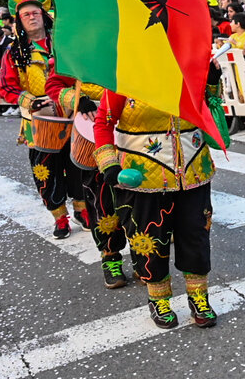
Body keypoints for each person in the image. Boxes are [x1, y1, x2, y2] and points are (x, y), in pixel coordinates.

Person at [92, 61, 224, 329]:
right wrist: (109, 164)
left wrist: (211, 79)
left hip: (193, 170)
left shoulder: (189, 64)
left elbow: (210, 105)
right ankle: (159, 299)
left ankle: (199, 297)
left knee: (196, 236)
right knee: (149, 241)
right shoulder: (123, 73)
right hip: (142, 176)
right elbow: (103, 122)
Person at [0, 0, 88, 240]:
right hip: (39, 122)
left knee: (78, 163)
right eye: (25, 14)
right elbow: (6, 87)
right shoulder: (14, 52)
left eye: (35, 12)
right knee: (46, 171)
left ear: (44, 14)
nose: (31, 17)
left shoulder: (64, 44)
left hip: (71, 114)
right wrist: (30, 101)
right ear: (19, 21)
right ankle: (60, 217)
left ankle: (82, 209)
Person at [45, 71, 131, 290]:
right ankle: (110, 257)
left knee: (139, 200)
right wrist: (77, 100)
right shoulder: (80, 42)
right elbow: (54, 84)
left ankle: (142, 256)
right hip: (96, 129)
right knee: (102, 200)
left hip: (136, 129)